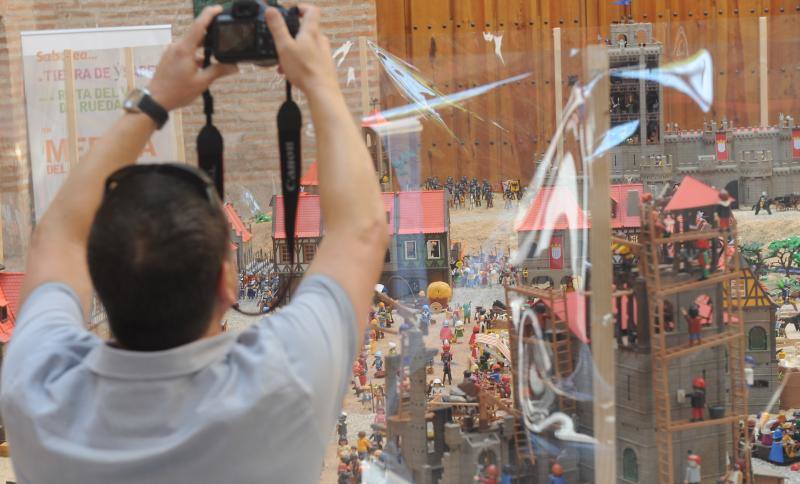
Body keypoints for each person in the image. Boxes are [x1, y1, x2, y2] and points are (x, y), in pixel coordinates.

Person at [0, 5, 389, 484]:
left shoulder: (38, 390)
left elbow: (58, 234)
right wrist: (319, 80)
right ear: (227, 283)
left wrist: (154, 99)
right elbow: (362, 227)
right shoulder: (285, 381)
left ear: (98, 282)